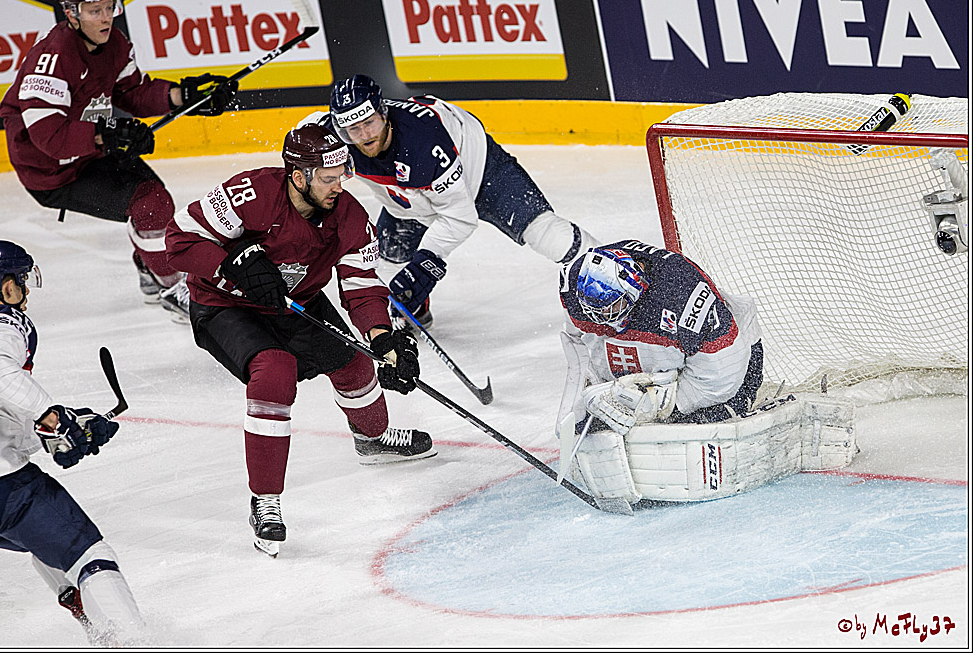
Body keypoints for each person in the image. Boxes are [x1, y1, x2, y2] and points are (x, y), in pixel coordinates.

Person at [164, 124, 436, 558]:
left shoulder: (350, 218)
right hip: (223, 304)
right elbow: (176, 240)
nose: (338, 186)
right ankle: (265, 501)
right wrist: (231, 263)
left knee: (355, 364)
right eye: (327, 178)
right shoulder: (248, 194)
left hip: (296, 302)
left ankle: (373, 438)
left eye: (341, 174)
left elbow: (361, 288)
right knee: (275, 371)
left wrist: (384, 340)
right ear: (298, 176)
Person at [0, 0, 237, 322]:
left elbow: (133, 92)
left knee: (154, 203)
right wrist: (107, 136)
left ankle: (149, 267)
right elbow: (48, 139)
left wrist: (184, 96)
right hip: (52, 172)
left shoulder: (114, 44)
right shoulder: (53, 57)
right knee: (151, 204)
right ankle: (173, 288)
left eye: (109, 7)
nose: (106, 17)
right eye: (94, 10)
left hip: (88, 151)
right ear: (72, 14)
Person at [0, 240, 142, 644]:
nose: (23, 289)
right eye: (21, 281)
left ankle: (77, 600)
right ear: (7, 287)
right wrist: (52, 417)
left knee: (39, 537)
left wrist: (52, 433)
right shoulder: (6, 320)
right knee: (89, 554)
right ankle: (134, 643)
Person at [303, 74, 600, 327]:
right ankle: (411, 309)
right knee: (389, 258)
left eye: (369, 123)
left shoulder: (423, 141)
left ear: (384, 113)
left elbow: (459, 217)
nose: (364, 136)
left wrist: (426, 264)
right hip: (408, 197)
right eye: (352, 129)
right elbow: (298, 149)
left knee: (545, 232)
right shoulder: (330, 138)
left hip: (481, 169)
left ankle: (610, 273)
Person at [554, 239, 765, 512]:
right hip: (657, 368)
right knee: (601, 425)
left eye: (612, 308)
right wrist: (579, 405)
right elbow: (579, 347)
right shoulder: (576, 288)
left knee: (692, 436)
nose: (603, 318)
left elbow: (722, 376)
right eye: (595, 312)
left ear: (633, 289)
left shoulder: (682, 297)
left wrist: (661, 405)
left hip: (729, 368)